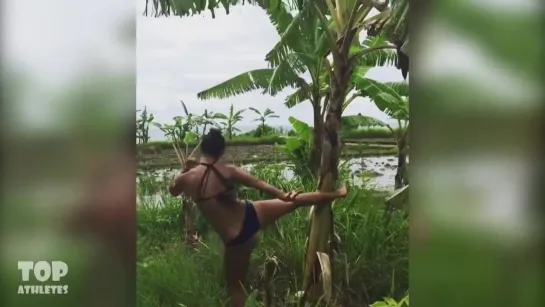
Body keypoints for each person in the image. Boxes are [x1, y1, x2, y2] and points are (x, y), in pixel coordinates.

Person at [169, 128, 348, 307]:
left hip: (236, 238)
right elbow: (258, 184)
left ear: (202, 149)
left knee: (235, 287)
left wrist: (185, 170)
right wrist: (283, 195)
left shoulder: (186, 178)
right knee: (296, 201)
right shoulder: (228, 170)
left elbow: (173, 191)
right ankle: (338, 193)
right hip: (251, 215)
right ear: (221, 151)